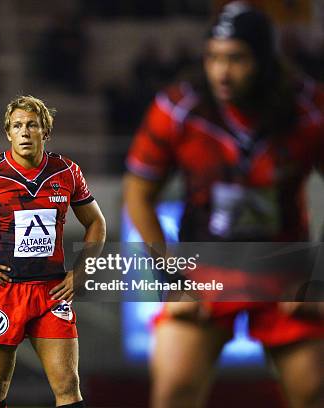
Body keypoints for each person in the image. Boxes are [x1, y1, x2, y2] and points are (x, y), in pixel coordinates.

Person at [123, 2, 324, 408]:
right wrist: (172, 280)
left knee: (313, 392)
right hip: (205, 270)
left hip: (285, 269)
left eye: (237, 59)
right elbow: (138, 195)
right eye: (213, 58)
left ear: (266, 61)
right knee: (173, 392)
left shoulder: (309, 109)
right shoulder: (179, 108)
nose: (222, 72)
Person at [0, 95, 106, 408]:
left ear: (45, 132)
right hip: (3, 292)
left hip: (50, 292)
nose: (25, 131)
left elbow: (96, 222)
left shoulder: (66, 172)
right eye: (17, 126)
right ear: (8, 133)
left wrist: (80, 273)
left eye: (32, 125)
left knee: (68, 384)